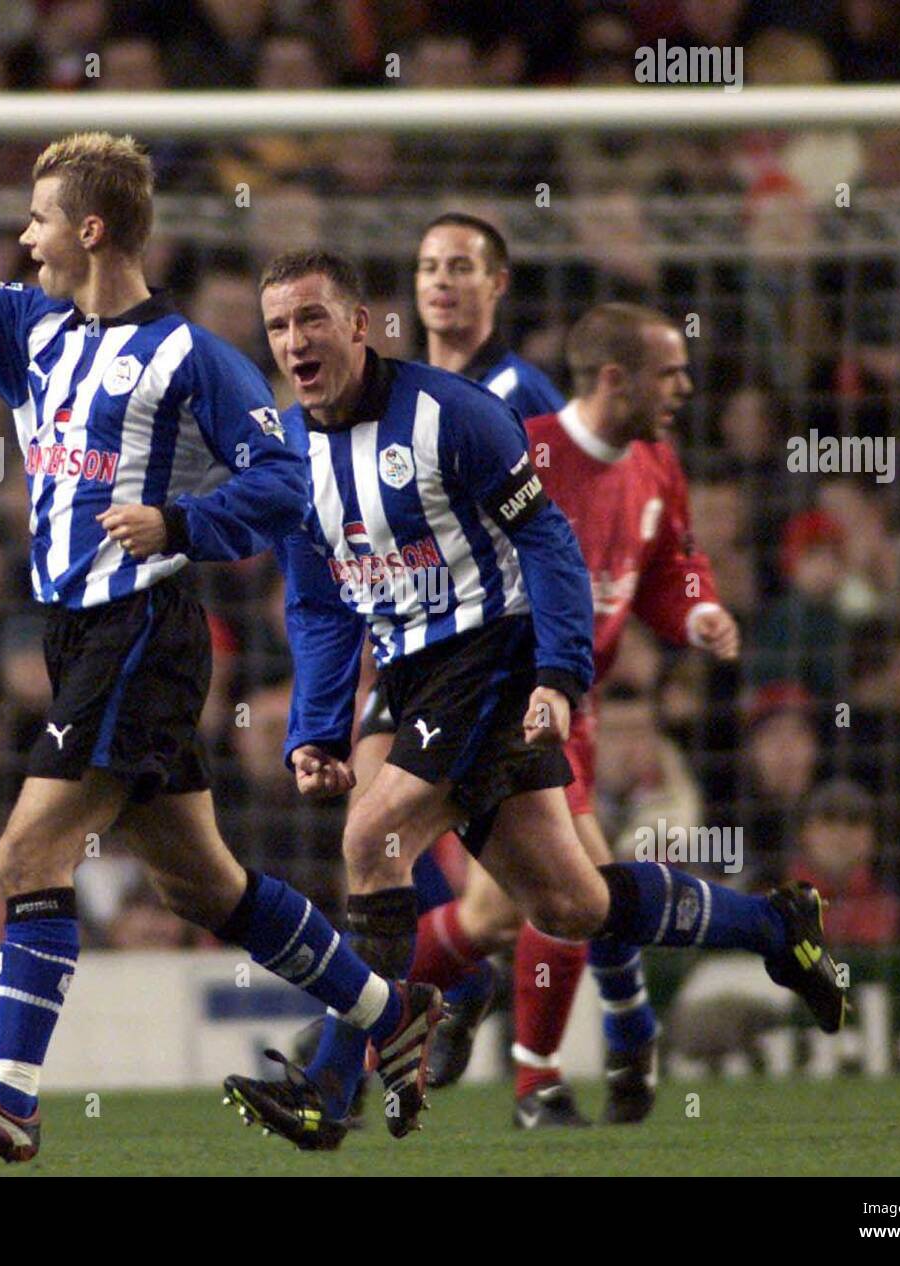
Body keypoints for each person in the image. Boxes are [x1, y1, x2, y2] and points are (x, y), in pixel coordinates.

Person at [0, 83, 441, 1163]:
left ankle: (12, 1102)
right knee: (202, 883)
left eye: (38, 219)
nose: (24, 240)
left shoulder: (191, 359)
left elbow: (284, 482)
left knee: (28, 847)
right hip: (74, 636)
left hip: (144, 629)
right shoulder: (29, 329)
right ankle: (390, 1012)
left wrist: (183, 517)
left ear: (89, 228)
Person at [224, 250, 848, 1152]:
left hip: (490, 658)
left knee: (372, 834)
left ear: (359, 324)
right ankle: (777, 923)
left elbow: (547, 542)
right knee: (569, 906)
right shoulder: (289, 450)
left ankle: (333, 1082)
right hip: (411, 676)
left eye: (312, 319)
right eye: (279, 325)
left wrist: (559, 674)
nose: (295, 341)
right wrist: (316, 728)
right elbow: (320, 604)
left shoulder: (453, 414)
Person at [400, 303, 745, 1127]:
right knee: (573, 891)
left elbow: (674, 563)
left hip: (573, 708)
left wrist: (696, 612)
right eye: (670, 373)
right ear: (616, 378)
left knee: (515, 908)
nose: (686, 388)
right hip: (507, 703)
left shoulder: (657, 464)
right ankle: (556, 1068)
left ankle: (357, 1016)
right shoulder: (529, 450)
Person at [347, 213, 565, 1081]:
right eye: (429, 265)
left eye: (463, 266)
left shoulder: (520, 391)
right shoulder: (394, 391)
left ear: (496, 284)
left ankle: (357, 1047)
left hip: (494, 645)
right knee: (373, 816)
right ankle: (453, 985)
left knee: (549, 885)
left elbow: (557, 526)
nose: (442, 281)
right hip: (406, 641)